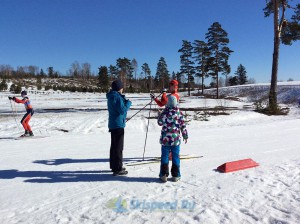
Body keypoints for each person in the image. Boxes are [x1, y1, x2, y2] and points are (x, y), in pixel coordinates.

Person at [157, 95, 188, 182]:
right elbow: (183, 126)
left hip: (165, 141)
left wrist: (159, 115)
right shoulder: (179, 114)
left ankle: (163, 175)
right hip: (176, 140)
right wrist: (185, 136)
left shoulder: (165, 113)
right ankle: (176, 175)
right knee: (175, 157)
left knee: (165, 157)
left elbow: (159, 123)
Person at [106, 79, 132, 176]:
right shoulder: (115, 97)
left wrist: (123, 99)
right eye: (121, 87)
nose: (122, 89)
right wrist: (128, 103)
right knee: (118, 147)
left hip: (115, 124)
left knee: (114, 147)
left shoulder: (113, 96)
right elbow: (122, 110)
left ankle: (114, 166)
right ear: (119, 88)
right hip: (117, 125)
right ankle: (117, 168)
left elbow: (119, 109)